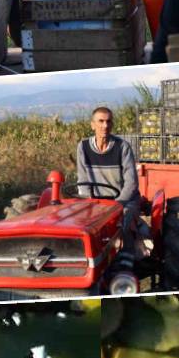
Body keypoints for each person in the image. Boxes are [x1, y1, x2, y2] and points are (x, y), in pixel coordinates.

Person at [76, 107, 141, 252]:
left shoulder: (122, 147)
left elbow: (131, 183)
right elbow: (82, 179)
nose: (105, 126)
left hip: (123, 201)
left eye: (108, 121)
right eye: (101, 121)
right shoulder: (83, 147)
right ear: (92, 125)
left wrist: (117, 205)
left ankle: (126, 258)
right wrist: (88, 202)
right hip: (97, 201)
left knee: (121, 221)